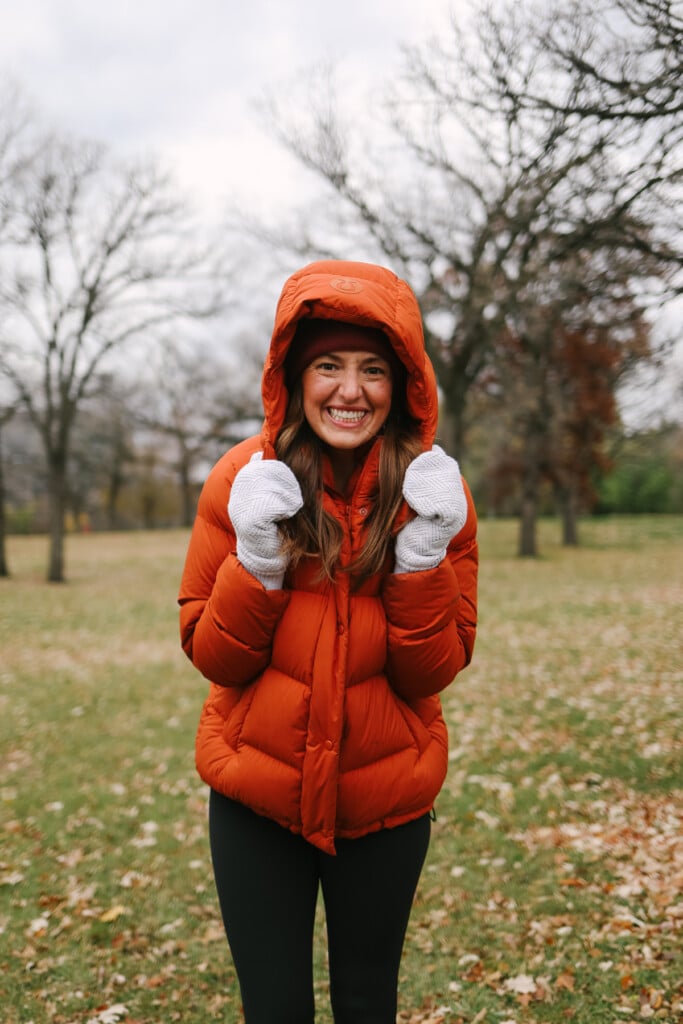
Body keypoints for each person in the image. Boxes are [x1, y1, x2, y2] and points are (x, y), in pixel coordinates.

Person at [178, 259, 478, 1024]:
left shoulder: (435, 494)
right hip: (257, 797)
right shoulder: (241, 481)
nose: (351, 390)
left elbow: (431, 671)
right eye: (328, 366)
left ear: (404, 382)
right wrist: (256, 562)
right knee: (274, 1010)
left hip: (386, 799)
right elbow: (217, 658)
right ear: (292, 376)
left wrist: (421, 557)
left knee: (366, 1005)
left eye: (373, 368)